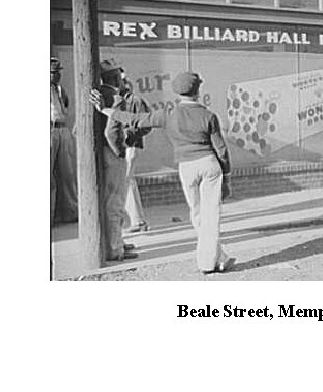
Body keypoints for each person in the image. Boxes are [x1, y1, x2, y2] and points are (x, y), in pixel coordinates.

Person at [91, 71, 234, 274]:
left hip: (186, 167)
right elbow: (221, 149)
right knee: (211, 215)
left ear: (178, 93)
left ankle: (220, 256)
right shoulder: (209, 116)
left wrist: (105, 109)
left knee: (197, 214)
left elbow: (134, 119)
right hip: (209, 165)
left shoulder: (168, 115)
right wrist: (227, 177)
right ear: (198, 91)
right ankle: (208, 263)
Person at [98, 59, 136, 261]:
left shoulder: (99, 93)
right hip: (112, 154)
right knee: (115, 202)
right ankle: (115, 248)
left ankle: (116, 241)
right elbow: (111, 131)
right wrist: (120, 151)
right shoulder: (115, 98)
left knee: (109, 200)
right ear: (114, 77)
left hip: (102, 153)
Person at [120, 76, 152, 233]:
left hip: (130, 145)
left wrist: (129, 133)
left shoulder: (136, 101)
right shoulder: (117, 101)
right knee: (127, 181)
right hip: (121, 146)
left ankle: (137, 220)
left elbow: (146, 124)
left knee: (126, 181)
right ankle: (137, 219)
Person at [50, 57, 78, 225]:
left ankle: (70, 211)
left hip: (62, 129)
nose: (57, 75)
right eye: (54, 72)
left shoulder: (60, 89)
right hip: (49, 129)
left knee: (67, 173)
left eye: (58, 71)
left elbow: (65, 107)